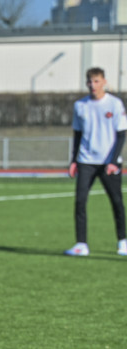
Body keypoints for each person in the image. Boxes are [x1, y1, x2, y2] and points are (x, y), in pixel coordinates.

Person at [65, 67, 127, 257]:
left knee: (116, 201)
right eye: (90, 82)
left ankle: (123, 242)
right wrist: (74, 160)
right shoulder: (80, 106)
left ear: (104, 82)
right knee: (80, 201)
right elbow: (77, 134)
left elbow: (121, 134)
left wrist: (114, 161)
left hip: (108, 162)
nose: (93, 85)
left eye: (97, 81)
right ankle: (81, 244)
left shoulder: (115, 104)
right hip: (86, 161)